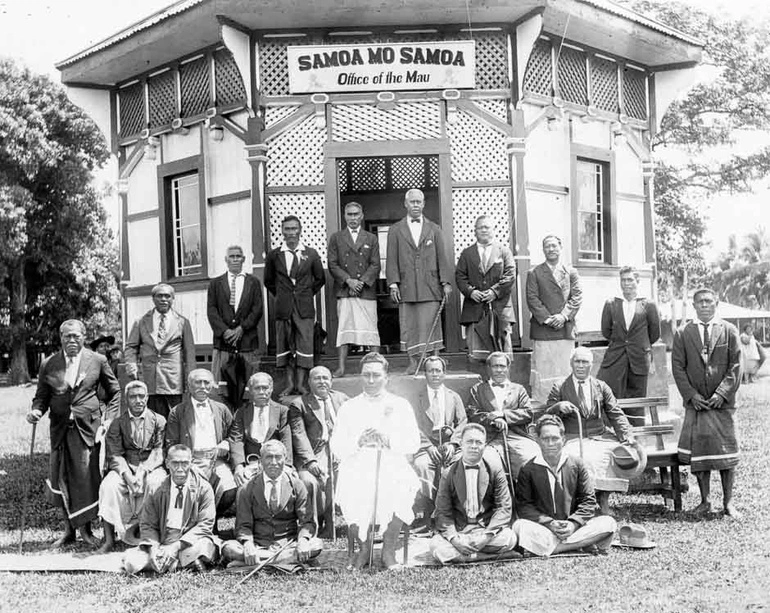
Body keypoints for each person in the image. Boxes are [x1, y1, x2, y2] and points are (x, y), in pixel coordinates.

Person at [27, 319, 121, 548]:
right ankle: (69, 532)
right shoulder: (49, 364)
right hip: (59, 430)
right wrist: (37, 410)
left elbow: (115, 392)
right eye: (67, 336)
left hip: (87, 429)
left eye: (76, 336)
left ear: (84, 337)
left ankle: (87, 531)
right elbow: (41, 397)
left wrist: (108, 419)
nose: (71, 340)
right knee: (59, 477)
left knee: (85, 479)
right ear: (60, 337)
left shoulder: (97, 360)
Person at [330, 352, 421, 569]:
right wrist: (358, 441)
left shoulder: (400, 405)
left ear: (386, 378)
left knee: (402, 487)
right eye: (366, 375)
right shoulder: (348, 407)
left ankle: (388, 551)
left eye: (376, 375)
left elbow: (413, 442)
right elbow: (336, 446)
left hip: (391, 460)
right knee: (351, 486)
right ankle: (365, 548)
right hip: (358, 461)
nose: (371, 380)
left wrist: (388, 439)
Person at [546, 346, 639, 514]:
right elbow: (547, 417)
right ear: (571, 364)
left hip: (599, 436)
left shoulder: (601, 386)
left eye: (585, 362)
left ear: (591, 365)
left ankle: (603, 499)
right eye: (577, 361)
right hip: (572, 436)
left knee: (611, 452)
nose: (581, 366)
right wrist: (558, 407)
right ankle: (581, 502)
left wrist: (626, 436)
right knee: (580, 457)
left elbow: (616, 414)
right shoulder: (560, 387)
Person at [673, 288, 742, 518]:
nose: (704, 305)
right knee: (700, 454)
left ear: (716, 303)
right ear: (694, 305)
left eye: (708, 301)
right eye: (700, 302)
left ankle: (728, 502)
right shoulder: (683, 333)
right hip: (697, 405)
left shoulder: (729, 331)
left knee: (726, 454)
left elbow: (736, 367)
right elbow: (678, 367)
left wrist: (721, 393)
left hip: (722, 405)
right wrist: (692, 395)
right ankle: (705, 501)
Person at [514, 415, 617, 556]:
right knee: (519, 526)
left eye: (555, 438)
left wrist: (573, 524)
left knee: (608, 522)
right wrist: (549, 523)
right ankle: (578, 546)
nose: (550, 443)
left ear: (563, 440)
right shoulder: (528, 469)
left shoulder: (577, 464)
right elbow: (524, 507)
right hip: (545, 529)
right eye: (545, 439)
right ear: (538, 440)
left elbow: (588, 501)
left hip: (573, 529)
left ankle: (556, 549)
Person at [221, 440, 322, 567]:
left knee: (316, 544)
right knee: (228, 548)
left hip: (287, 545)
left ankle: (252, 562)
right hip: (258, 545)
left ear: (284, 460)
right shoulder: (246, 489)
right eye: (269, 457)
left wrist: (302, 540)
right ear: (261, 461)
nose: (273, 462)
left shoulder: (297, 485)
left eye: (278, 457)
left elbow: (307, 522)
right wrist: (248, 545)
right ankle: (286, 560)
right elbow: (243, 526)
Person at [122, 444, 220, 573]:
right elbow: (147, 524)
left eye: (185, 463)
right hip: (163, 541)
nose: (180, 469)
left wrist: (176, 547)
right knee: (131, 563)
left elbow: (205, 524)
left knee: (204, 547)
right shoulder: (155, 488)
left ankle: (173, 564)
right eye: (175, 463)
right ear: (167, 463)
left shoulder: (204, 488)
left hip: (188, 542)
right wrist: (154, 548)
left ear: (192, 463)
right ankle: (181, 565)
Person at [386, 188, 453, 375]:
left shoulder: (435, 229)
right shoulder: (395, 230)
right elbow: (391, 258)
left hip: (430, 286)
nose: (415, 205)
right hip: (406, 286)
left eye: (419, 202)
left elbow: (443, 257)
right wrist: (393, 284)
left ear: (423, 204)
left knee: (432, 323)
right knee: (409, 325)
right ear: (405, 204)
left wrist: (445, 282)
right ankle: (413, 362)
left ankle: (434, 362)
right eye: (412, 202)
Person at [429, 423, 517, 564]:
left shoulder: (495, 470)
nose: (474, 446)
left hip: (485, 530)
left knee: (510, 537)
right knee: (435, 544)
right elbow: (442, 512)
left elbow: (504, 508)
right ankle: (486, 557)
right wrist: (455, 540)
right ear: (461, 445)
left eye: (479, 442)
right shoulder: (448, 474)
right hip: (460, 531)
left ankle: (465, 557)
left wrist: (486, 536)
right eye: (469, 442)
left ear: (485, 446)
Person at [97, 380, 167, 553]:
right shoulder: (117, 423)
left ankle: (150, 534)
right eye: (133, 397)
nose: (138, 400)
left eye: (141, 396)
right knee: (109, 486)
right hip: (125, 466)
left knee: (156, 483)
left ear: (147, 398)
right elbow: (115, 454)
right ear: (126, 400)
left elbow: (159, 450)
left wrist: (144, 469)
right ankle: (109, 539)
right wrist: (127, 475)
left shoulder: (159, 420)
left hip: (151, 466)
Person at [264, 215, 326, 396]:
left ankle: (301, 384)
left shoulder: (311, 253)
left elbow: (320, 278)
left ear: (300, 230)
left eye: (294, 229)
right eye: (287, 229)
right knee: (286, 344)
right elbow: (269, 281)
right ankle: (289, 384)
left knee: (304, 344)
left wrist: (304, 294)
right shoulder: (274, 255)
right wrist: (284, 296)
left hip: (304, 308)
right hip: (284, 307)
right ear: (282, 231)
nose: (291, 233)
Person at [165, 369, 236, 518]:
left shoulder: (221, 409)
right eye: (198, 382)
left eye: (206, 382)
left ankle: (211, 521)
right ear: (189, 386)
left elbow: (234, 434)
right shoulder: (178, 411)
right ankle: (195, 523)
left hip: (216, 460)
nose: (202, 386)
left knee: (229, 489)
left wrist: (226, 443)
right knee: (193, 488)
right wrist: (185, 462)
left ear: (212, 386)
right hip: (190, 461)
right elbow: (171, 443)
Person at [288, 366, 349, 535]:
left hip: (339, 449)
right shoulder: (299, 404)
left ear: (331, 381)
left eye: (326, 378)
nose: (322, 381)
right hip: (315, 451)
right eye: (317, 378)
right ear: (309, 382)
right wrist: (311, 461)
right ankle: (313, 525)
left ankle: (333, 525)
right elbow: (298, 434)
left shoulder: (342, 399)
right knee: (311, 481)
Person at [125, 283, 196, 419]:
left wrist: (191, 378)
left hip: (173, 381)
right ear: (153, 298)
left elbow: (190, 353)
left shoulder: (182, 322)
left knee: (174, 418)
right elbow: (131, 347)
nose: (163, 299)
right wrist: (131, 366)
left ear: (172, 299)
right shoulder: (141, 322)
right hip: (149, 379)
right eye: (159, 296)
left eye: (167, 296)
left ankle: (172, 442)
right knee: (151, 419)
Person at [526, 235, 582, 402]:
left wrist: (563, 316)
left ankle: (568, 404)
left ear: (560, 247)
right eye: (547, 246)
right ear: (543, 250)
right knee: (544, 372)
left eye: (554, 246)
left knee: (566, 370)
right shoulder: (534, 273)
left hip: (565, 329)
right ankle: (544, 407)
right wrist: (548, 319)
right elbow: (532, 298)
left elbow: (577, 296)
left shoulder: (571, 272)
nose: (551, 249)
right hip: (544, 330)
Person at [328, 201, 381, 377]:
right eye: (349, 214)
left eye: (356, 214)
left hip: (366, 292)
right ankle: (341, 368)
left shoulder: (371, 238)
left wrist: (361, 282)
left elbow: (375, 264)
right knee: (344, 329)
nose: (353, 218)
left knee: (371, 330)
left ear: (362, 215)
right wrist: (348, 280)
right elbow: (332, 264)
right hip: (345, 290)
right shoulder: (336, 238)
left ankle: (376, 367)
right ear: (344, 216)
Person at [467, 352, 539, 479]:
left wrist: (503, 415)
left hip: (516, 436)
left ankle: (524, 495)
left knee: (531, 457)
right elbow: (473, 415)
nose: (499, 370)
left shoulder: (518, 389)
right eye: (495, 366)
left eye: (502, 366)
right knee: (488, 463)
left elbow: (528, 413)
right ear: (488, 368)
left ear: (508, 367)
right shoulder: (478, 389)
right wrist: (492, 420)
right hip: (489, 438)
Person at [207, 245, 264, 405]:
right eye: (231, 256)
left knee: (248, 391)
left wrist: (241, 329)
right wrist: (225, 332)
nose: (235, 259)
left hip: (247, 343)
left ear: (244, 259)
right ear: (226, 260)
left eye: (238, 256)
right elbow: (212, 311)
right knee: (222, 392)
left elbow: (257, 309)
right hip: (223, 344)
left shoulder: (253, 282)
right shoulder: (216, 284)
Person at [412, 356, 467, 523]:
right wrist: (428, 447)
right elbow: (412, 425)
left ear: (444, 373)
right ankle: (431, 513)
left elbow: (463, 422)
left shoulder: (454, 396)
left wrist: (453, 444)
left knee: (460, 465)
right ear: (425, 374)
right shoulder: (417, 397)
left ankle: (455, 512)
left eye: (438, 370)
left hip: (450, 444)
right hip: (427, 446)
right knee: (422, 466)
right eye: (430, 371)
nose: (435, 374)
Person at [455, 215, 517, 361]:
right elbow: (460, 277)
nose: (483, 230)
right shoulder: (467, 253)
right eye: (480, 227)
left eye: (487, 227)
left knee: (501, 357)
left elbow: (510, 275)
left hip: (499, 310)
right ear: (475, 231)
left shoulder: (504, 251)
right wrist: (471, 292)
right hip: (474, 310)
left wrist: (494, 292)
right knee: (477, 357)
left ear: (493, 230)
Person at [597, 266, 661, 398]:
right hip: (615, 357)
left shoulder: (648, 304)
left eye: (630, 280)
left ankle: (636, 420)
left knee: (637, 399)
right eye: (623, 280)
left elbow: (654, 334)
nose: (626, 284)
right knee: (611, 397)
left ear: (637, 281)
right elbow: (606, 331)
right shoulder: (611, 304)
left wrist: (639, 344)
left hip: (639, 359)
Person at [229, 372, 293, 487]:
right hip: (251, 463)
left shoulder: (282, 411)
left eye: (265, 388)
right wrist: (238, 466)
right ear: (250, 390)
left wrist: (287, 465)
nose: (262, 392)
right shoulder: (241, 412)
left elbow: (286, 439)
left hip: (275, 462)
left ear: (271, 389)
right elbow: (236, 439)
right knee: (242, 489)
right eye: (257, 388)